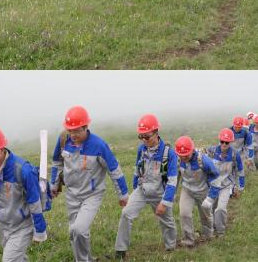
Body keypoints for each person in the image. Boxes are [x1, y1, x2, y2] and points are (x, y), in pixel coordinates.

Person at [50, 106, 128, 262]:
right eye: (70, 130)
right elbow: (57, 162)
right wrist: (54, 184)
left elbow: (114, 170)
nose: (73, 135)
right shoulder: (64, 140)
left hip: (92, 195)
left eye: (77, 131)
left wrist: (123, 194)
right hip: (72, 194)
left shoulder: (98, 145)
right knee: (76, 233)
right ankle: (84, 259)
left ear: (86, 127)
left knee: (78, 229)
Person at [0, 126, 48, 262]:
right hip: (3, 224)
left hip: (23, 225)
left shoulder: (23, 170)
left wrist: (40, 231)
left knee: (9, 260)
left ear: (2, 149)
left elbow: (35, 202)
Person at [114, 114, 178, 259]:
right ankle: (120, 250)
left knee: (167, 223)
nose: (144, 140)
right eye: (141, 136)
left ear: (156, 132)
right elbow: (137, 169)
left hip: (160, 194)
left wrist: (164, 202)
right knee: (126, 213)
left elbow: (172, 181)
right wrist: (135, 188)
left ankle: (171, 248)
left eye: (147, 137)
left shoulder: (169, 154)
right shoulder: (141, 149)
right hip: (142, 191)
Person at [174, 136, 221, 247]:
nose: (184, 157)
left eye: (186, 155)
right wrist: (173, 192)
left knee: (205, 215)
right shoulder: (178, 159)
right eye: (181, 155)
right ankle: (188, 240)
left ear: (192, 150)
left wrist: (210, 198)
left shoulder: (203, 160)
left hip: (203, 191)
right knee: (184, 213)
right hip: (187, 190)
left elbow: (216, 178)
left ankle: (208, 235)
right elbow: (176, 176)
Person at [205, 128, 245, 236]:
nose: (223, 144)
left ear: (230, 142)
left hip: (226, 186)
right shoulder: (211, 151)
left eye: (226, 142)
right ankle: (211, 227)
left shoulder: (234, 155)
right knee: (211, 208)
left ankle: (221, 231)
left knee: (221, 208)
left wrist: (239, 187)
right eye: (222, 141)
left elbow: (240, 171)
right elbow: (202, 159)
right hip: (213, 185)